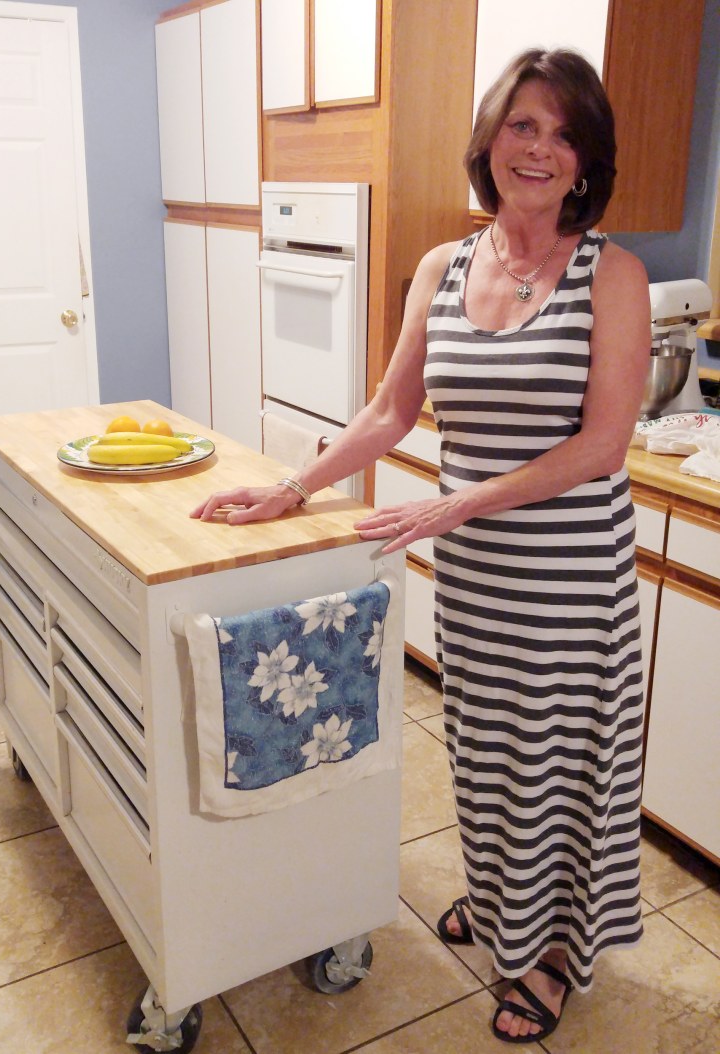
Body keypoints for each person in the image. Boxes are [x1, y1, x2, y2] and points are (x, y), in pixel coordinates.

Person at [191, 48, 652, 1043]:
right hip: (479, 583)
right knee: (483, 757)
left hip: (569, 583)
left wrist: (448, 508)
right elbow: (391, 411)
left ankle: (550, 955)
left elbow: (601, 444)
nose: (541, 149)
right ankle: (500, 909)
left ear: (587, 161)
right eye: (523, 125)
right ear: (489, 140)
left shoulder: (610, 274)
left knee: (555, 768)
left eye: (565, 132)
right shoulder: (446, 267)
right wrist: (292, 484)